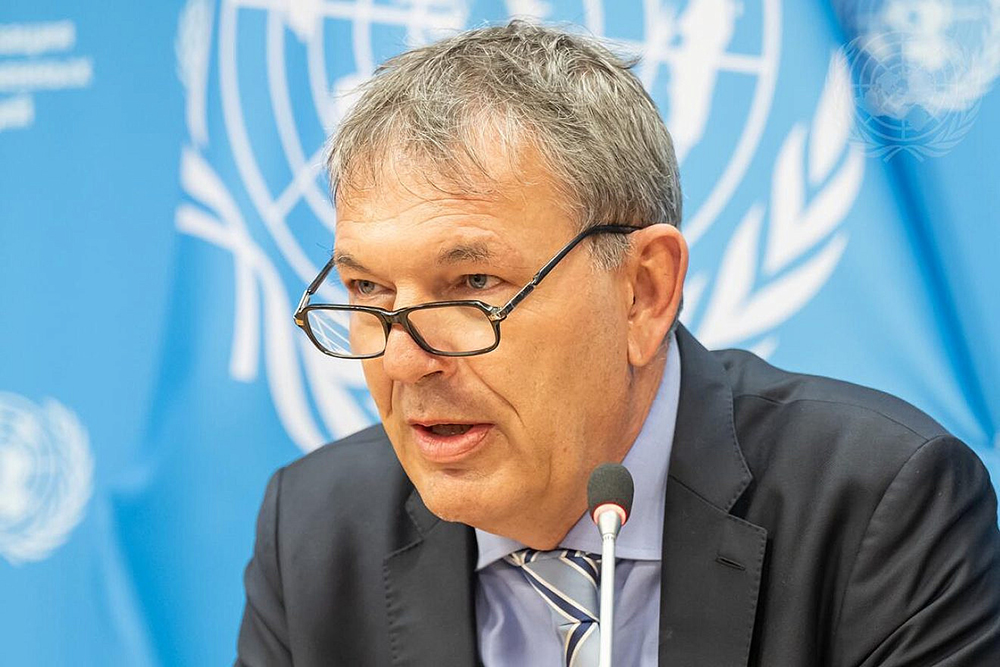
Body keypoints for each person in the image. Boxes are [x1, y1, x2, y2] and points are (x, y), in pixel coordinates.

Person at [235, 21, 1000, 666]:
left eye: (472, 283)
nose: (403, 360)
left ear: (643, 291)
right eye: (368, 289)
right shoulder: (314, 533)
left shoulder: (877, 507)